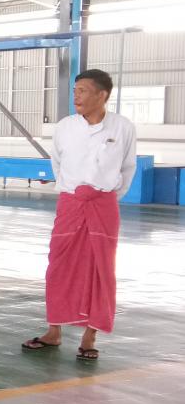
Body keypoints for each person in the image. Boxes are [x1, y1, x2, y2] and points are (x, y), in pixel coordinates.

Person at [23, 69, 137, 360]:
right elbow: (57, 163)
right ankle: (54, 331)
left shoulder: (122, 127)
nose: (76, 96)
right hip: (71, 204)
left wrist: (105, 196)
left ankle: (90, 336)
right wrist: (73, 191)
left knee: (101, 268)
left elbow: (127, 168)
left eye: (83, 90)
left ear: (102, 94)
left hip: (103, 205)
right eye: (75, 90)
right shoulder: (65, 127)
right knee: (59, 265)